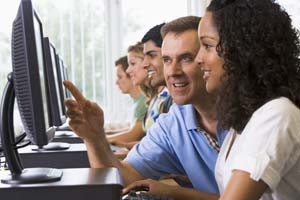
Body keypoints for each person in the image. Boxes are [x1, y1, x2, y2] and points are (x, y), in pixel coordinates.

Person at [64, 16, 227, 198]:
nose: (173, 71)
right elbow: (124, 179)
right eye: (166, 60)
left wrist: (172, 192)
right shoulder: (173, 123)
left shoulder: (250, 114)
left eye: (186, 58)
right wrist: (95, 139)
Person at [194, 0, 299, 199]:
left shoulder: (277, 114)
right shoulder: (247, 117)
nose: (198, 58)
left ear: (241, 50)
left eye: (207, 45)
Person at [105, 56, 148, 141]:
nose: (116, 82)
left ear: (132, 76)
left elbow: (133, 135)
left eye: (120, 77)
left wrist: (97, 140)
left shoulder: (143, 102)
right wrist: (103, 134)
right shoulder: (139, 101)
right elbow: (131, 129)